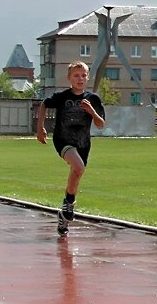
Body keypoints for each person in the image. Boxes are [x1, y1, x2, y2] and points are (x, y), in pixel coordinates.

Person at [36, 61, 106, 235]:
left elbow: (101, 124)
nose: (80, 79)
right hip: (63, 139)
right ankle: (69, 204)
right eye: (76, 75)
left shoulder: (93, 99)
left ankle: (65, 213)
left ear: (88, 77)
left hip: (83, 142)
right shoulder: (62, 97)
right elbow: (45, 103)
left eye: (83, 75)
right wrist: (40, 127)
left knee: (77, 173)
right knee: (78, 167)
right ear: (69, 78)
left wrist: (92, 111)